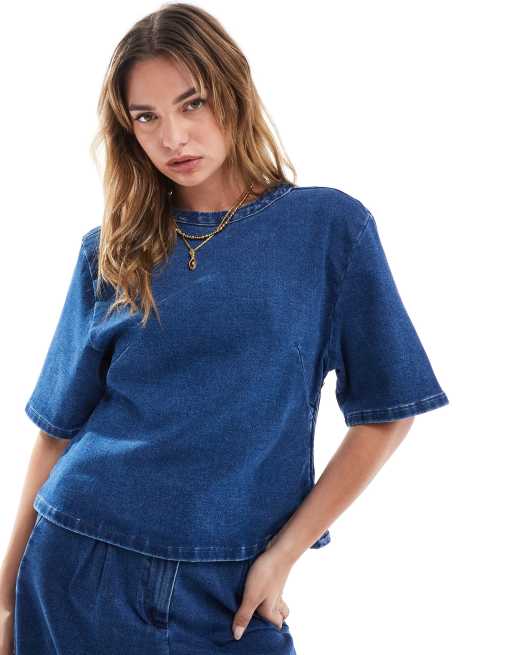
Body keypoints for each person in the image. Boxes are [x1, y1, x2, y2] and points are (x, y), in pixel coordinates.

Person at [0, 3, 450, 654]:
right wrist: (6, 598)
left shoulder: (327, 228)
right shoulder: (112, 251)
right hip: (78, 564)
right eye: (146, 117)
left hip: (231, 589)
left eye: (193, 104)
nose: (173, 137)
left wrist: (283, 555)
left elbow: (385, 413)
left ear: (233, 91)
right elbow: (56, 432)